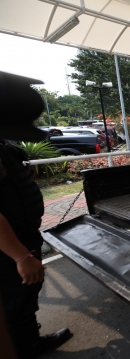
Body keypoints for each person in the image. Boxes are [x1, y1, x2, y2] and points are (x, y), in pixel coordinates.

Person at [0, 71, 72, 358]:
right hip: (9, 251)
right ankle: (23, 348)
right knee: (16, 302)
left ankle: (29, 342)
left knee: (23, 299)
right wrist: (20, 256)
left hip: (20, 240)